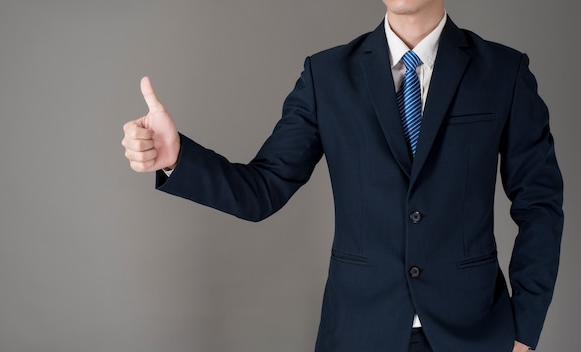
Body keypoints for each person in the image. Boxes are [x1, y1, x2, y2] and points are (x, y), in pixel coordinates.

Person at [121, 0, 563, 351]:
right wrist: (176, 157)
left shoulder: (504, 72)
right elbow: (262, 189)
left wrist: (524, 329)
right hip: (358, 332)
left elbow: (540, 205)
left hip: (475, 335)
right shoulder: (326, 76)